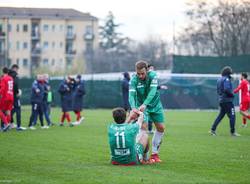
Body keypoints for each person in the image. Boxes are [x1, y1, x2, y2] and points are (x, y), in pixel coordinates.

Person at [129, 60, 165, 163]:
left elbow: (153, 92)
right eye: (138, 73)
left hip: (155, 105)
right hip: (141, 107)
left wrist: (146, 103)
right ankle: (144, 157)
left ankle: (154, 155)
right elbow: (131, 95)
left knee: (161, 128)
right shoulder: (134, 79)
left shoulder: (153, 75)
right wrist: (133, 107)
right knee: (143, 128)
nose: (140, 76)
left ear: (147, 70)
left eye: (142, 73)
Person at [210, 66, 240, 136]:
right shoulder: (226, 79)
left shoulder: (219, 79)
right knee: (232, 116)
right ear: (228, 73)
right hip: (227, 101)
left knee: (220, 115)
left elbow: (218, 90)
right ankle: (233, 132)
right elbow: (227, 89)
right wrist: (232, 94)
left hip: (221, 100)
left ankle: (212, 129)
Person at [147, 64, 168, 134]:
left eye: (153, 68)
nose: (152, 70)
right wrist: (160, 87)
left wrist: (160, 87)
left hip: (154, 100)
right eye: (151, 68)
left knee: (152, 115)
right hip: (148, 99)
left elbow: (154, 87)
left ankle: (151, 129)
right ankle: (148, 130)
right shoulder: (147, 77)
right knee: (148, 115)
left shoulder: (153, 77)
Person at [8, 64, 26, 131]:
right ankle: (18, 126)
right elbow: (15, 84)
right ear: (14, 68)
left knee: (9, 110)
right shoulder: (15, 75)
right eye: (17, 69)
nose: (17, 70)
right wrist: (17, 92)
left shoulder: (7, 75)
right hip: (15, 96)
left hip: (8, 95)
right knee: (18, 109)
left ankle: (8, 123)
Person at [0, 67, 14, 132]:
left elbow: (2, 88)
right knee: (8, 111)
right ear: (8, 72)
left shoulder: (3, 78)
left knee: (0, 110)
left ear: (3, 72)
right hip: (11, 96)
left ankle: (6, 123)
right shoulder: (11, 78)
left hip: (5, 97)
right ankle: (7, 126)